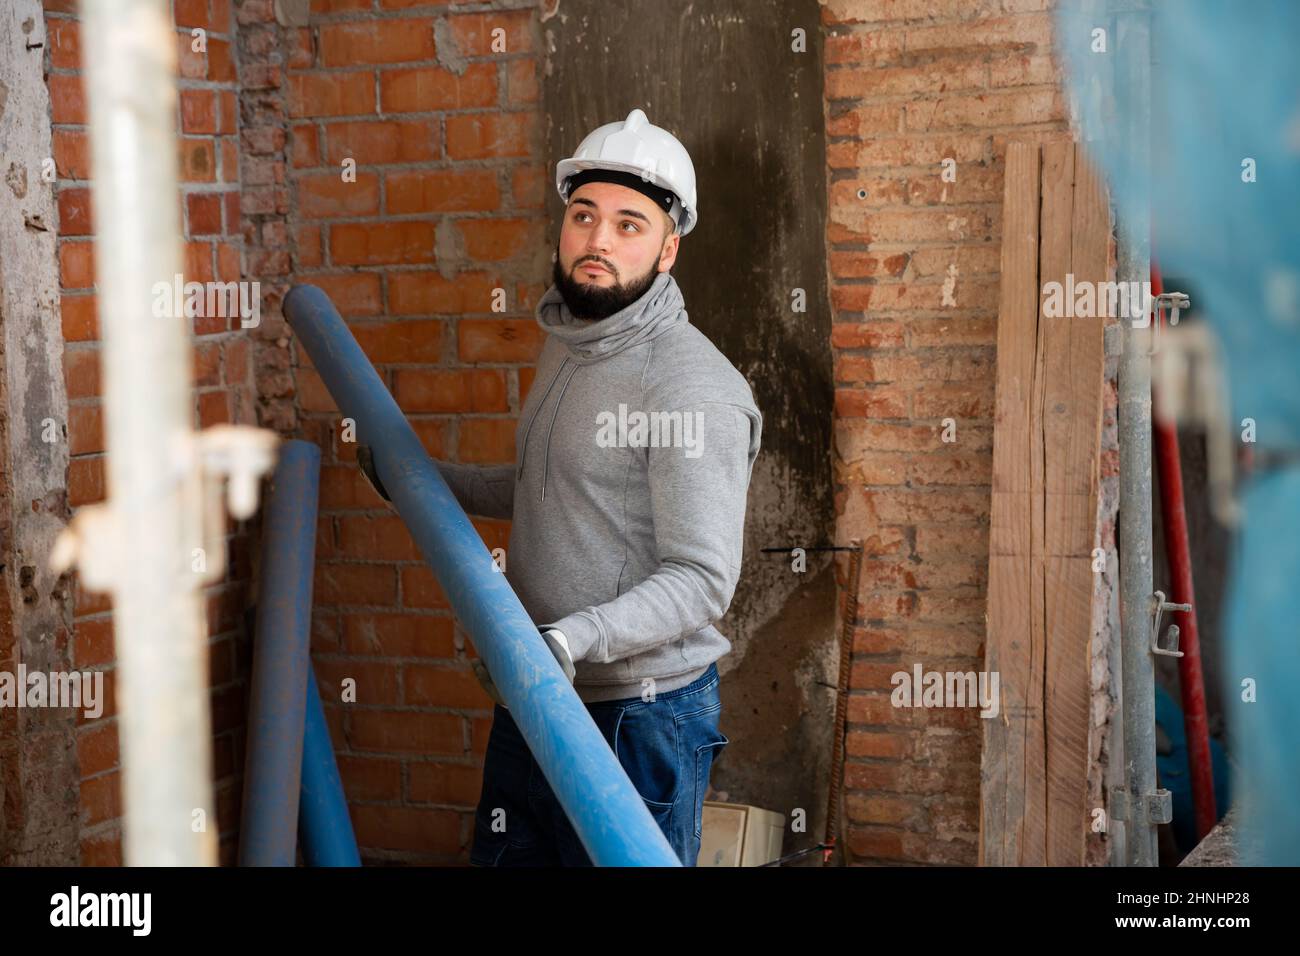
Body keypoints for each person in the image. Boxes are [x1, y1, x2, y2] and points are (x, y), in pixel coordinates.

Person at [434, 109, 762, 866]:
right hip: (541, 687)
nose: (598, 242)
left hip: (637, 716)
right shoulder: (575, 338)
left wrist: (570, 639)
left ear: (669, 247)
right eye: (584, 216)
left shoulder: (690, 389)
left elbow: (702, 579)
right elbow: (558, 491)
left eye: (628, 224)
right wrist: (426, 480)